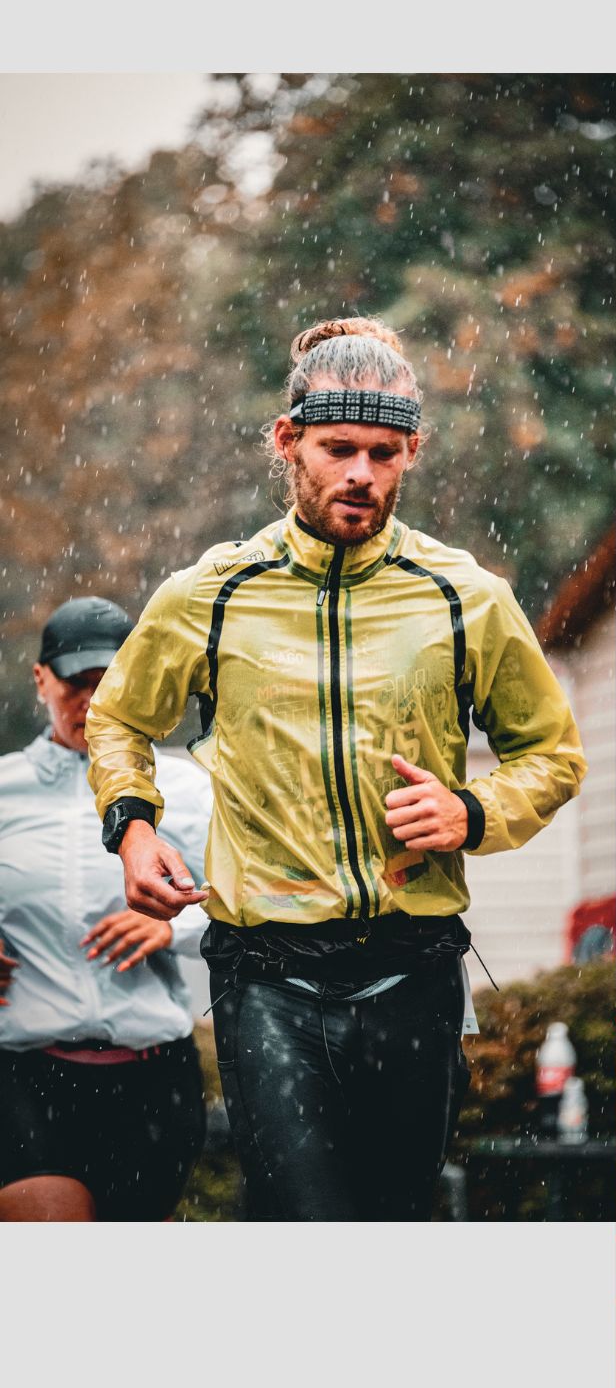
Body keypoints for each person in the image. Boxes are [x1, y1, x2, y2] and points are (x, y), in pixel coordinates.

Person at [86, 316, 587, 1222]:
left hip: (414, 967)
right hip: (266, 971)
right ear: (289, 442)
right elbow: (119, 717)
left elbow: (552, 755)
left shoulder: (465, 595)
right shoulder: (214, 591)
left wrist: (472, 812)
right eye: (338, 448)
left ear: (412, 453)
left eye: (385, 453)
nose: (362, 473)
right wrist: (135, 825)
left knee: (392, 1222)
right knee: (309, 1217)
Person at [0, 598, 210, 1221]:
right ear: (41, 679)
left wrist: (174, 923)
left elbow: (250, 912)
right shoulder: (3, 790)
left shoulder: (190, 789)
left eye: (108, 682)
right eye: (75, 683)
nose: (91, 700)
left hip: (154, 1075)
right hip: (24, 1072)